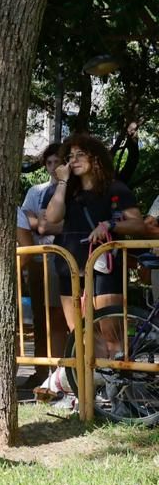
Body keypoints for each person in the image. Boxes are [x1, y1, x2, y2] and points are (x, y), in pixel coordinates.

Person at [45, 134, 147, 338]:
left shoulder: (115, 188)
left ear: (96, 158)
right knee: (80, 336)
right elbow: (52, 217)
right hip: (70, 267)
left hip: (104, 267)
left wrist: (110, 225)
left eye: (80, 154)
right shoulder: (65, 190)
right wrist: (62, 183)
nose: (74, 160)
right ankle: (89, 371)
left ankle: (117, 370)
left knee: (111, 334)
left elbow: (138, 225)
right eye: (71, 156)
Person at [18, 144, 67, 387]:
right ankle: (41, 370)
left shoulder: (72, 189)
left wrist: (47, 226)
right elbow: (27, 218)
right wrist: (42, 224)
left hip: (64, 257)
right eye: (49, 163)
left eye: (58, 162)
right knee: (40, 316)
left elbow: (52, 225)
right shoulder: (36, 191)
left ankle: (62, 372)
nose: (53, 167)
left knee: (61, 316)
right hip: (39, 259)